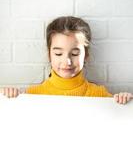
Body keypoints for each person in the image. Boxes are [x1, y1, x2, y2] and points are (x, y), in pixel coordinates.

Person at [0, 16, 133, 104]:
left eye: (75, 53)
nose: (67, 62)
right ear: (49, 55)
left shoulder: (100, 95)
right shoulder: (33, 94)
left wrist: (124, 101)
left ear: (86, 55)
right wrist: (9, 97)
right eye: (58, 53)